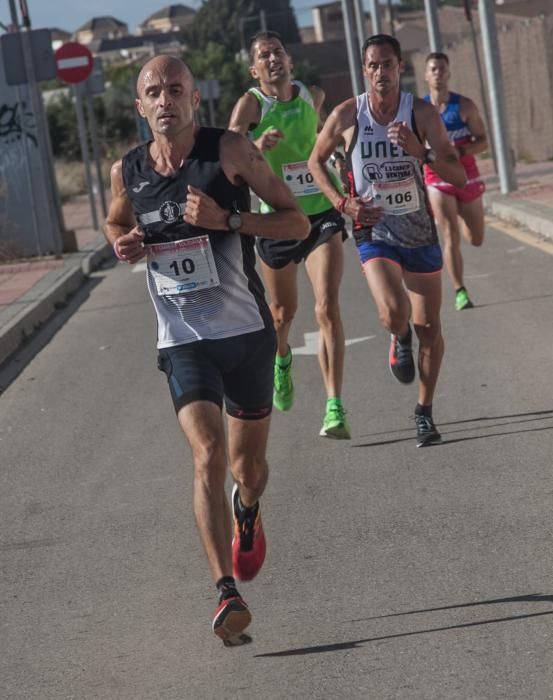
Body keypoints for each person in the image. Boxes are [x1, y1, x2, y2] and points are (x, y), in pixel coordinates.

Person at [103, 55, 309, 645]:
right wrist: (125, 243)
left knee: (248, 469)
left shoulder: (233, 152)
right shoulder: (128, 171)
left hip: (245, 338)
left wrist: (230, 220)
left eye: (176, 89)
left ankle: (248, 508)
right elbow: (115, 225)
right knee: (207, 455)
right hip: (183, 340)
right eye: (153, 92)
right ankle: (226, 592)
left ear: (196, 100)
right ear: (139, 107)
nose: (164, 99)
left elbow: (295, 224)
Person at [308, 34, 466, 447]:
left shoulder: (423, 114)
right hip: (373, 229)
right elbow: (314, 161)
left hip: (418, 231)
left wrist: (422, 152)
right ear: (365, 71)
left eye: (388, 64)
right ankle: (398, 337)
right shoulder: (347, 115)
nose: (381, 72)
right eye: (373, 65)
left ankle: (423, 412)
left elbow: (459, 175)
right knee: (395, 313)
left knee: (429, 327)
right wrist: (343, 203)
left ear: (400, 68)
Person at [228, 30, 351, 440]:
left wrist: (336, 151)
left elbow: (327, 135)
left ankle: (334, 405)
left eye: (278, 52)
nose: (273, 59)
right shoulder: (251, 103)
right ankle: (282, 361)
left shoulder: (312, 96)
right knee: (282, 315)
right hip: (278, 218)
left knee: (326, 306)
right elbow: (229, 151)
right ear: (254, 69)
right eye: (264, 55)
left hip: (319, 214)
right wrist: (255, 146)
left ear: (290, 61)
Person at [424, 52, 488, 310]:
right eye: (433, 69)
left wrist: (458, 152)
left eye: (441, 68)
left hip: (467, 177)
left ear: (448, 73)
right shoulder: (420, 111)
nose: (438, 73)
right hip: (437, 179)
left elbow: (483, 141)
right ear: (426, 75)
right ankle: (460, 290)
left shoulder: (465, 107)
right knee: (449, 234)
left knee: (475, 238)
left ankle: (463, 216)